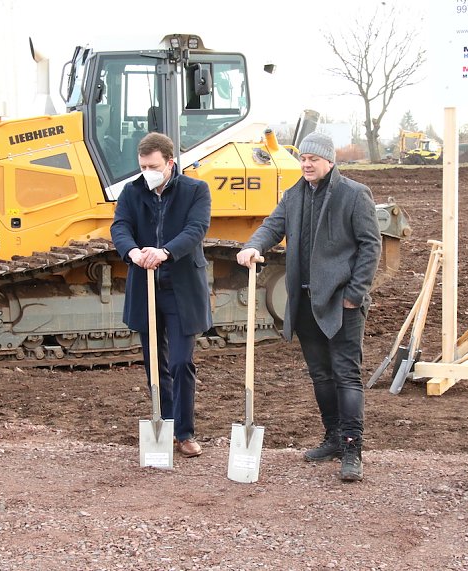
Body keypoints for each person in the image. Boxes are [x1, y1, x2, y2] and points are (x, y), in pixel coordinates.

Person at [236, 131, 381, 481]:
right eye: (302, 158)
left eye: (313, 159)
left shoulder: (354, 194)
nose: (306, 164)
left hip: (341, 302)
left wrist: (354, 294)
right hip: (303, 302)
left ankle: (352, 448)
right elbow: (272, 226)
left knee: (346, 374)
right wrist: (254, 246)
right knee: (320, 374)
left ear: (329, 161)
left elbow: (370, 246)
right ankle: (332, 436)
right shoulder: (294, 195)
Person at [111, 132, 212, 458]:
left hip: (181, 288)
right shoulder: (131, 191)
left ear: (170, 163)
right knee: (155, 364)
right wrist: (133, 252)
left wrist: (166, 252)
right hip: (146, 287)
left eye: (153, 166)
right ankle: (164, 423)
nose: (147, 172)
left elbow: (196, 229)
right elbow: (120, 226)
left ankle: (184, 432)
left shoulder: (196, 191)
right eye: (142, 166)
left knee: (181, 362)